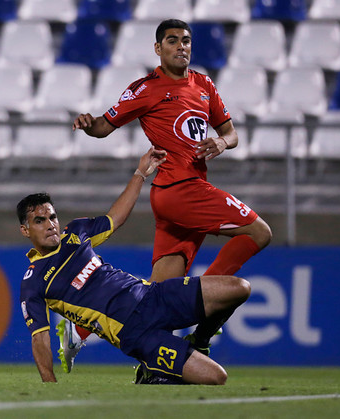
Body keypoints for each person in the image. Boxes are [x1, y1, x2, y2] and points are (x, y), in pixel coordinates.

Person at [70, 18, 271, 362]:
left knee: (157, 297)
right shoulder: (146, 88)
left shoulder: (204, 84)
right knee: (259, 232)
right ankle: (208, 311)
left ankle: (87, 330)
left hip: (178, 195)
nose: (182, 46)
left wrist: (221, 142)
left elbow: (232, 133)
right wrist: (89, 125)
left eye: (187, 41)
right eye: (173, 40)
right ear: (158, 48)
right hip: (181, 189)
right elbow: (104, 126)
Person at [17, 148, 251, 384]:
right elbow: (40, 338)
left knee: (240, 288)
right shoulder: (33, 281)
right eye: (39, 221)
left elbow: (115, 218)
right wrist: (50, 384)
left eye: (52, 217)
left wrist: (140, 173)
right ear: (25, 230)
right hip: (136, 332)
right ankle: (152, 373)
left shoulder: (75, 233)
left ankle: (198, 342)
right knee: (217, 377)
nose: (50, 225)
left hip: (154, 296)